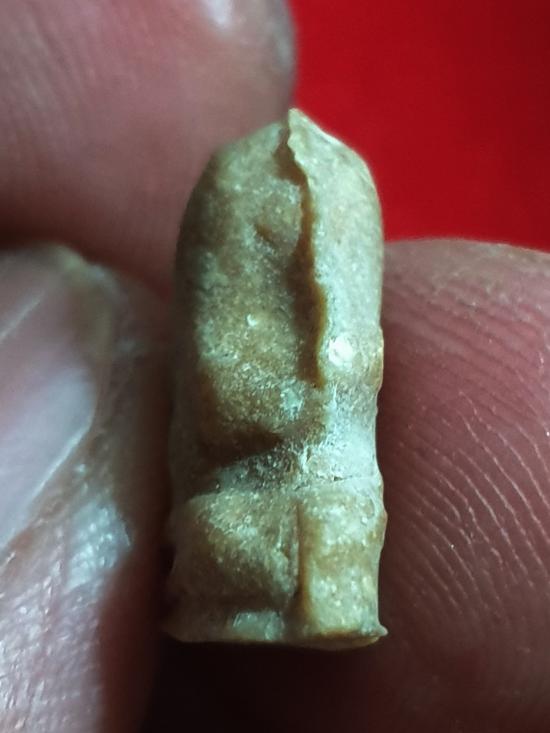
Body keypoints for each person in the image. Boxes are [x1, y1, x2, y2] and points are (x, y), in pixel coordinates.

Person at [1, 2, 548, 731]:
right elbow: (223, 389)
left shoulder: (291, 184)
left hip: (311, 539)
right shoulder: (253, 184)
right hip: (232, 542)